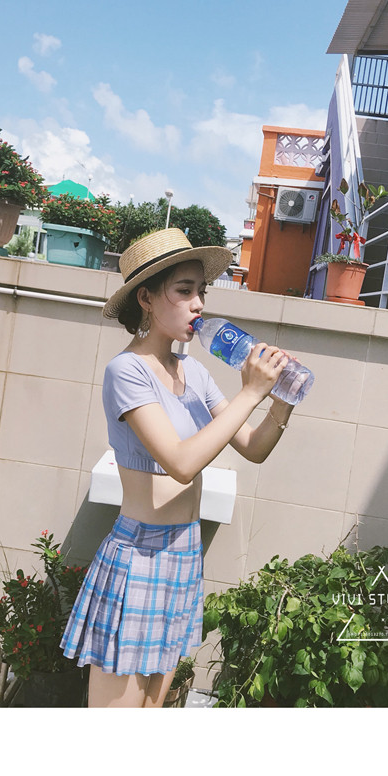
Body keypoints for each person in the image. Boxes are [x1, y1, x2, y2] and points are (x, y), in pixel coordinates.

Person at [60, 228, 295, 707]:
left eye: (201, 291)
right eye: (184, 291)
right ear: (146, 298)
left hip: (183, 553)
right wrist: (251, 392)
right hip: (139, 556)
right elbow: (181, 463)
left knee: (153, 710)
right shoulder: (127, 372)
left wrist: (282, 399)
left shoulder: (196, 372)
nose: (198, 304)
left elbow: (253, 447)